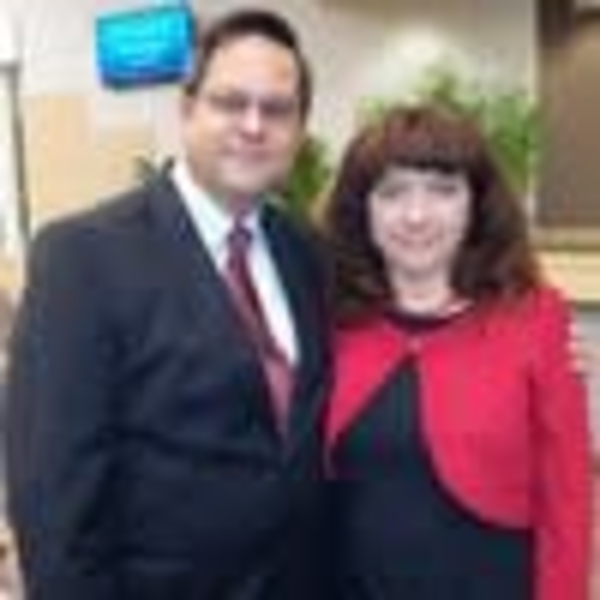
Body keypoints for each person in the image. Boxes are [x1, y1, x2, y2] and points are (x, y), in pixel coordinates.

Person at [5, 9, 331, 600]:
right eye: (230, 102)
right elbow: (54, 496)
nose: (253, 125)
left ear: (299, 129)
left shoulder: (306, 254)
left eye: (277, 109)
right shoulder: (83, 258)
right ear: (187, 108)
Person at [321, 104, 592, 600]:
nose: (416, 215)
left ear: (476, 205)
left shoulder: (536, 320)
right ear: (362, 209)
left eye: (443, 190)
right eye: (393, 192)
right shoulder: (327, 320)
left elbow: (568, 496)